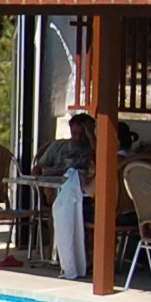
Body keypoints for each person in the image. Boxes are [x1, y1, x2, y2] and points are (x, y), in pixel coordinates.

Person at [41, 112, 102, 279]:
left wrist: (92, 137)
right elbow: (38, 168)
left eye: (82, 134)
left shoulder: (94, 149)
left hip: (85, 194)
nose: (78, 138)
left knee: (79, 208)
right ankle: (58, 254)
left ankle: (78, 258)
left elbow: (100, 160)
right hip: (57, 189)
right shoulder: (58, 146)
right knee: (61, 206)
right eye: (75, 133)